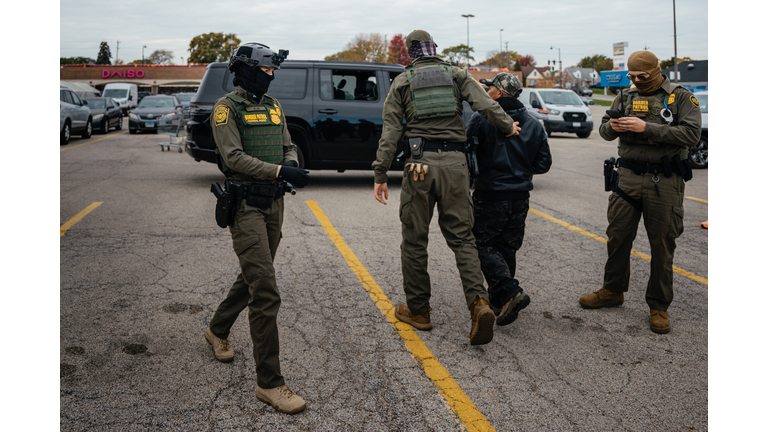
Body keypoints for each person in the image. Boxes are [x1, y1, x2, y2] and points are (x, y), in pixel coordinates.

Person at [372, 30, 521, 345]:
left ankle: (419, 311)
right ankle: (479, 303)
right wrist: (508, 125)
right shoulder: (456, 74)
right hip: (455, 165)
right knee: (464, 240)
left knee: (414, 243)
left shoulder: (402, 82)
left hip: (418, 165)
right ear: (434, 50)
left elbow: (391, 130)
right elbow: (485, 105)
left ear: (411, 53)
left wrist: (380, 172)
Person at [204, 43, 311, 414]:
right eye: (266, 71)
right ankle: (270, 383)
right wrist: (282, 170)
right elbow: (233, 157)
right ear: (247, 71)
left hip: (274, 204)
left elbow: (288, 145)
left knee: (253, 275)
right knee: (265, 291)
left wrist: (290, 162)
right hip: (245, 205)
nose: (271, 76)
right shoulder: (226, 109)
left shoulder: (273, 106)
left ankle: (216, 329)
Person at [578, 50, 701, 334]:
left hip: (665, 180)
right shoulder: (626, 96)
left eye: (641, 76)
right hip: (628, 176)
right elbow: (605, 131)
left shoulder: (679, 96)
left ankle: (659, 305)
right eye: (632, 76)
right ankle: (613, 290)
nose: (636, 80)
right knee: (617, 236)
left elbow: (692, 135)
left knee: (662, 244)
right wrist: (614, 126)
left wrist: (647, 127)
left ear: (656, 71)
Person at [466, 73, 552, 326]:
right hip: (519, 196)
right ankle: (501, 300)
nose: (487, 90)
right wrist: (521, 170)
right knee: (507, 246)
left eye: (490, 87)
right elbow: (543, 163)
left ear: (500, 93)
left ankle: (509, 291)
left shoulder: (481, 119)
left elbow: (469, 155)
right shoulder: (535, 124)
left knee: (480, 243)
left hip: (490, 194)